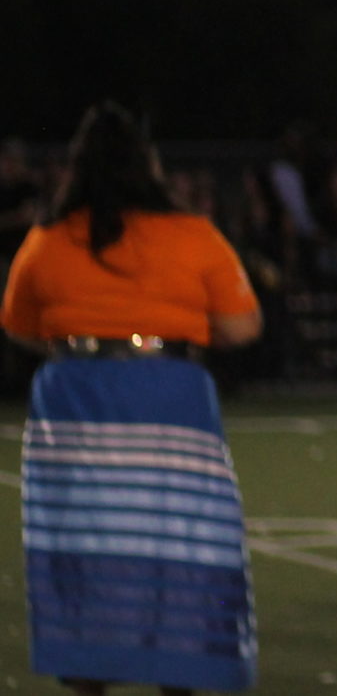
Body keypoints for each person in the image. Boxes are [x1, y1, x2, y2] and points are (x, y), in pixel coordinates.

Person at [1, 103, 264, 694]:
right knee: (183, 548)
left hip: (73, 401)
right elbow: (244, 327)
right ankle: (182, 674)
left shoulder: (46, 239)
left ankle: (87, 672)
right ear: (149, 166)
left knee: (82, 549)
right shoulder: (194, 236)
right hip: (171, 396)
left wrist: (77, 346)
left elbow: (17, 325)